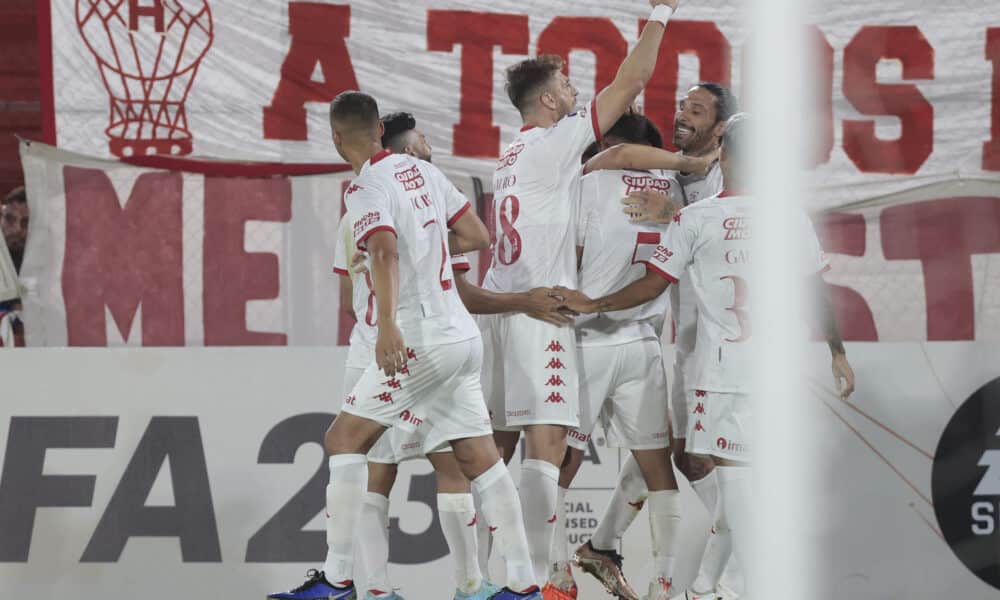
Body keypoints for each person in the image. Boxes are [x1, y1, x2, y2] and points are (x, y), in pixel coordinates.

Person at [556, 113, 856, 600]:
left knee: (738, 496)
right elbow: (815, 289)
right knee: (743, 494)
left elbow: (653, 284)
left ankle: (711, 586)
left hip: (717, 376)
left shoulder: (693, 218)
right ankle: (705, 587)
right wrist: (838, 353)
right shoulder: (788, 217)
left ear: (726, 154)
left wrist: (596, 303)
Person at [269, 91, 542, 600]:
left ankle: (338, 580)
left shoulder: (366, 186)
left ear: (335, 137)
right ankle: (524, 585)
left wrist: (389, 323)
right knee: (480, 458)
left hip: (416, 338)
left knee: (344, 442)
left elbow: (384, 251)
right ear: (378, 129)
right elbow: (476, 234)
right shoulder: (426, 173)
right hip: (460, 335)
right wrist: (430, 244)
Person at [480, 3, 707, 593]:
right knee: (546, 449)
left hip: (510, 311)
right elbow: (630, 84)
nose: (576, 90)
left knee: (499, 451)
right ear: (551, 103)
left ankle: (491, 577)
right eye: (566, 85)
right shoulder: (559, 147)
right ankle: (541, 579)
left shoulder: (511, 156)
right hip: (548, 314)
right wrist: (661, 12)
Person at [341, 111, 572, 600]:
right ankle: (494, 583)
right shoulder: (392, 195)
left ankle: (448, 584)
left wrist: (416, 255)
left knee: (415, 462)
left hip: (415, 343)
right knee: (455, 461)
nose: (429, 147)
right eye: (421, 140)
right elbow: (453, 263)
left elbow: (358, 292)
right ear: (400, 149)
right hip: (410, 345)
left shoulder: (400, 199)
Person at [580, 83, 741, 599]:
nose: (682, 117)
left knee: (694, 457)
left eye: (697, 112)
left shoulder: (727, 172)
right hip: (685, 338)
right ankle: (606, 547)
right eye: (681, 107)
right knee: (668, 448)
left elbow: (726, 227)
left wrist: (671, 214)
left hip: (725, 343)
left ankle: (727, 573)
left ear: (721, 129)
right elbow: (623, 154)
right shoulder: (669, 169)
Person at [546, 112, 685, 600]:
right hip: (643, 341)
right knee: (659, 469)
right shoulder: (675, 189)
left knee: (559, 462)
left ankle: (557, 576)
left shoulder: (587, 182)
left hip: (585, 340)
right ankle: (663, 589)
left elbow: (571, 256)